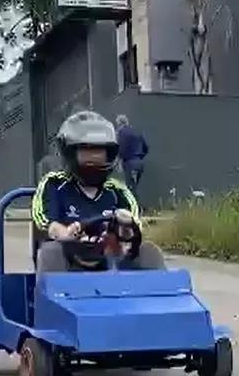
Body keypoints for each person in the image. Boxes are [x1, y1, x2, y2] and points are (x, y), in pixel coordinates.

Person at [31, 110, 165, 273]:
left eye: (99, 153)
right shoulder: (54, 183)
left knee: (148, 251)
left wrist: (126, 225)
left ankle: (159, 296)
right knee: (51, 251)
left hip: (112, 262)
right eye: (87, 152)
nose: (94, 159)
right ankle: (55, 295)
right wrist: (65, 232)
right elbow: (45, 221)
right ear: (70, 153)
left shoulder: (118, 190)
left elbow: (134, 226)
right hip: (70, 264)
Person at [115, 114, 148, 196]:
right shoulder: (136, 132)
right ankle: (137, 207)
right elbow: (146, 148)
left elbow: (121, 149)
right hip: (139, 163)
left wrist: (119, 161)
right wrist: (139, 156)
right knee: (133, 187)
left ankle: (134, 208)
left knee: (129, 188)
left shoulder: (122, 133)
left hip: (130, 164)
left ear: (120, 124)